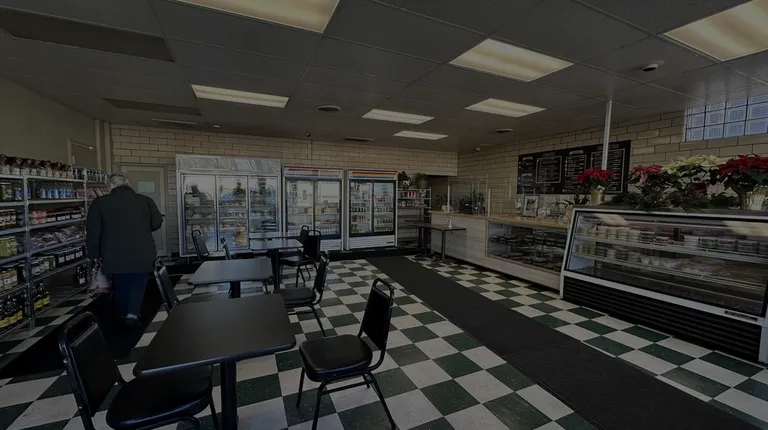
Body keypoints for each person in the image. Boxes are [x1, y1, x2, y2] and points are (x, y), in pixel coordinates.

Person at [86, 173, 163, 327]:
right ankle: (132, 314)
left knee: (120, 283)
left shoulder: (100, 203)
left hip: (113, 253)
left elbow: (93, 231)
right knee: (138, 283)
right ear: (127, 184)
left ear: (110, 186)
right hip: (142, 251)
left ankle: (123, 313)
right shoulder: (145, 200)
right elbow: (156, 223)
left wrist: (94, 255)